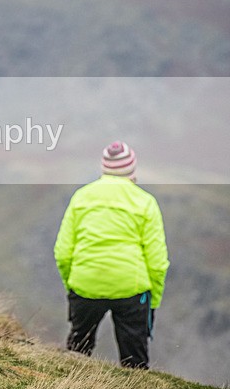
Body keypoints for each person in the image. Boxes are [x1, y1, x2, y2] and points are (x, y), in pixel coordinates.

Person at [54, 141, 170, 369]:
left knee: (77, 353)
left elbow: (63, 253)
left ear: (104, 168)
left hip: (85, 284)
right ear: (132, 170)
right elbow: (157, 264)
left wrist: (73, 287)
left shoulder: (81, 197)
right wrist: (152, 301)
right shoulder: (145, 203)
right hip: (132, 288)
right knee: (134, 362)